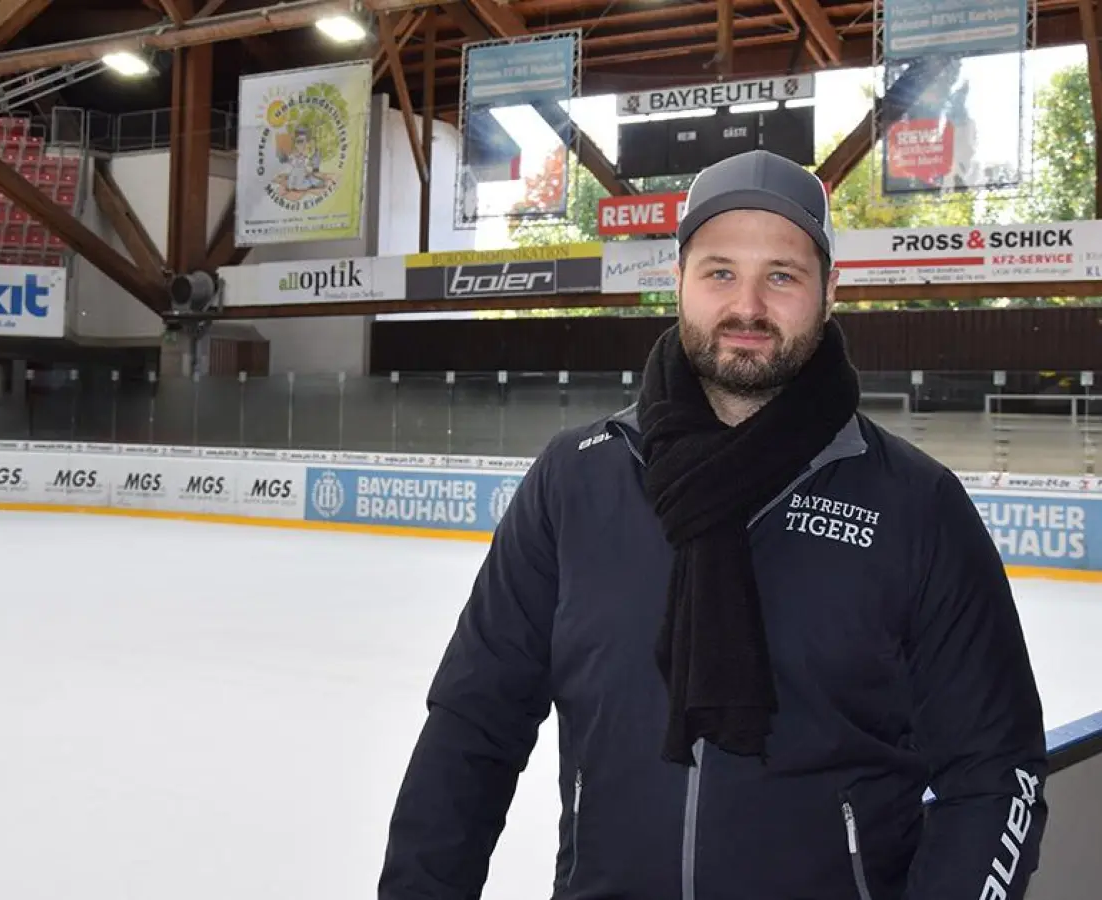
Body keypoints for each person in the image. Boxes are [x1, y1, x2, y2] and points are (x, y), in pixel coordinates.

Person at [378, 149, 1049, 900]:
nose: (749, 306)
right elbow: (473, 727)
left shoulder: (916, 505)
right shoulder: (576, 480)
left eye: (783, 276)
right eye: (720, 271)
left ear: (831, 291)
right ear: (679, 283)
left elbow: (998, 774)